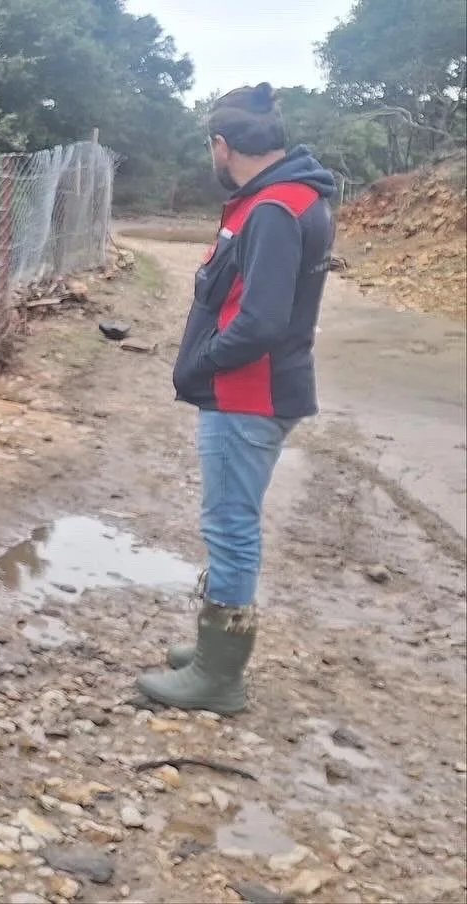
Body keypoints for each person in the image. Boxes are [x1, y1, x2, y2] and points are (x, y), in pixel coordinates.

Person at [137, 82, 337, 715]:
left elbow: (261, 321)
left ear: (223, 146)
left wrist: (202, 361)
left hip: (247, 396)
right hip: (256, 391)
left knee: (229, 527)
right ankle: (209, 653)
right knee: (230, 523)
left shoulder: (274, 209)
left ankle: (219, 677)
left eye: (211, 147)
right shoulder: (288, 196)